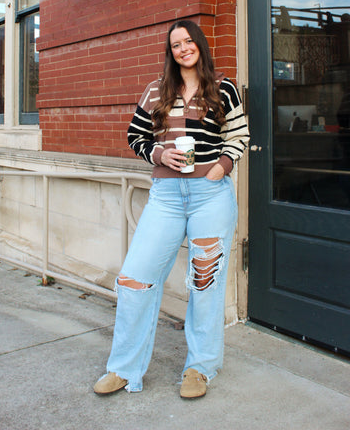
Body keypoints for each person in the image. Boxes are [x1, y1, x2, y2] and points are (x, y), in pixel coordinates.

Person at [93, 20, 249, 398]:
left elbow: (240, 135)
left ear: (200, 44)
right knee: (135, 278)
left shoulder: (223, 89)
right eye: (176, 44)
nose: (183, 48)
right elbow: (135, 135)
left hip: (210, 196)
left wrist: (221, 167)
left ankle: (200, 368)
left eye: (188, 41)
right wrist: (159, 152)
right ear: (171, 52)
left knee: (205, 284)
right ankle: (124, 369)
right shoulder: (156, 90)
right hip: (165, 196)